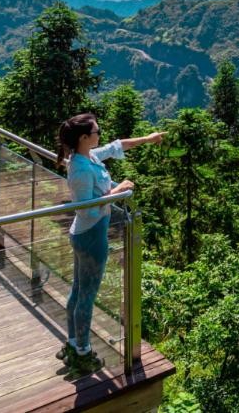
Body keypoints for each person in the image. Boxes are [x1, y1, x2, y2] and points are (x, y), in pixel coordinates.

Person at [55, 113, 164, 376]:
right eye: (96, 131)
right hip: (91, 237)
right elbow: (87, 210)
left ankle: (73, 343)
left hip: (84, 235)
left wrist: (148, 140)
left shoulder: (87, 157)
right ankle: (82, 352)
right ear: (84, 138)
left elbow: (116, 147)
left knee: (78, 290)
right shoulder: (80, 169)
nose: (99, 134)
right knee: (86, 297)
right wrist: (119, 191)